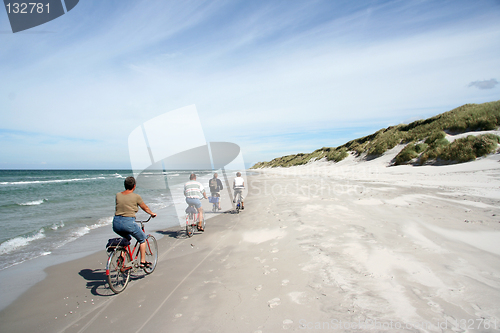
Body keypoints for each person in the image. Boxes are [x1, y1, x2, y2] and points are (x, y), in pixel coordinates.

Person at [113, 176, 156, 268]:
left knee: (126, 238)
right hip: (128, 222)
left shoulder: (118, 195)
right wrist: (152, 213)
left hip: (116, 223)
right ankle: (143, 261)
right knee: (142, 239)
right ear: (134, 186)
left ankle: (121, 257)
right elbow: (145, 208)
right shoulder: (136, 197)